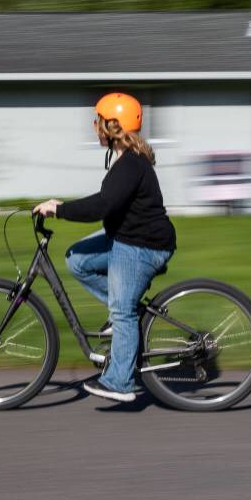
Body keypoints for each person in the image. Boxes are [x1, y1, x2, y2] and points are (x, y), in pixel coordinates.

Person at [33, 93, 177, 403]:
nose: (94, 127)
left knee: (121, 312)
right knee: (77, 260)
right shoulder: (125, 160)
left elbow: (103, 205)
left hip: (142, 245)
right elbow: (107, 202)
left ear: (112, 127)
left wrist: (59, 209)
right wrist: (62, 205)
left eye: (98, 121)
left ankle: (119, 382)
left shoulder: (131, 165)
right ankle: (129, 310)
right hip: (126, 237)